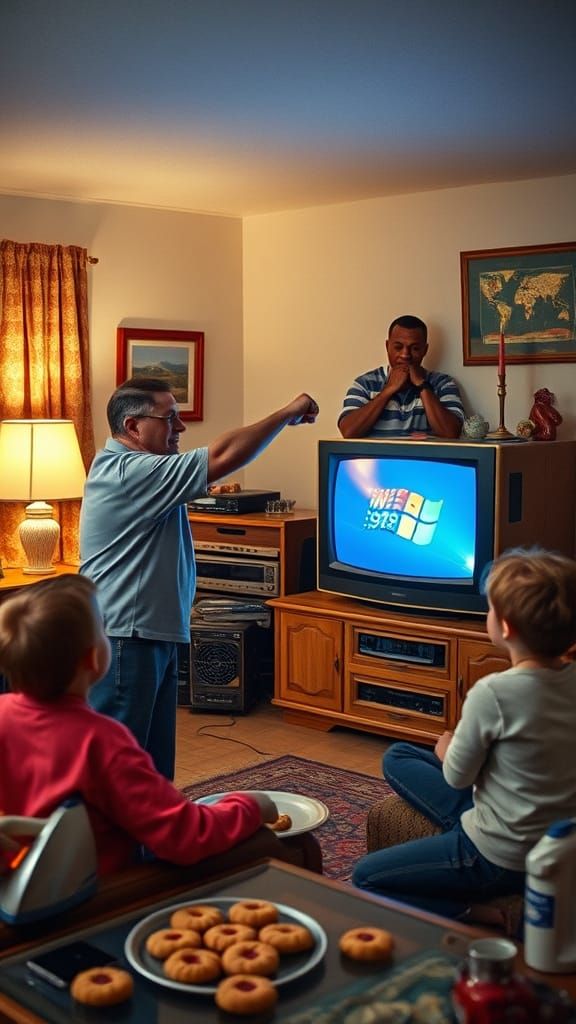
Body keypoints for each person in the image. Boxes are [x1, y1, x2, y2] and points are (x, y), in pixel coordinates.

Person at [0, 574, 319, 878]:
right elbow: (184, 837)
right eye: (105, 627)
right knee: (290, 847)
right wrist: (250, 807)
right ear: (92, 658)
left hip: (14, 885)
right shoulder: (101, 741)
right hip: (92, 902)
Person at [79, 378, 319, 780]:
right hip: (126, 640)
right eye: (170, 417)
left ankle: (152, 844)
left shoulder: (138, 470)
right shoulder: (130, 471)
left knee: (152, 774)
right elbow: (223, 454)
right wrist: (287, 413)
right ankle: (103, 844)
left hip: (149, 636)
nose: (181, 427)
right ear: (135, 426)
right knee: (118, 776)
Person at [352, 548, 576, 920]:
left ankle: (484, 914)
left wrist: (448, 748)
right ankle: (469, 820)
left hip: (500, 855)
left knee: (367, 877)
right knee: (400, 755)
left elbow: (457, 776)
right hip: (557, 843)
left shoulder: (494, 693)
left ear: (505, 628)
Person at [338, 314, 463, 439]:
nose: (405, 355)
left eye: (414, 348)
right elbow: (349, 432)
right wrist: (389, 389)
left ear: (425, 350)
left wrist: (422, 385)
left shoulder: (442, 383)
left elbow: (451, 433)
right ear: (387, 347)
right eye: (398, 347)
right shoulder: (365, 383)